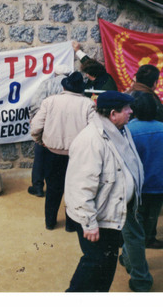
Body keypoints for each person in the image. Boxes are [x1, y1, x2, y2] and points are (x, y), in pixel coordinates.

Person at [65, 91, 144, 292]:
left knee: (106, 264)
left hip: (111, 213)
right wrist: (89, 223)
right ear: (112, 114)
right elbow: (79, 187)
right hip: (96, 218)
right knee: (94, 263)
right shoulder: (91, 140)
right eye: (126, 108)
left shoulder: (120, 131)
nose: (131, 112)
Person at [117, 93, 163, 292]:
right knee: (142, 231)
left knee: (134, 234)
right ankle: (128, 258)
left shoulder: (127, 130)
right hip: (158, 187)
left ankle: (140, 279)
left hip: (134, 190)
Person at [30, 71, 95, 230]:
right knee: (74, 190)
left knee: (53, 188)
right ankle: (71, 225)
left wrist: (41, 142)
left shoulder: (50, 101)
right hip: (77, 156)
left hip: (52, 153)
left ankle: (50, 222)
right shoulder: (88, 104)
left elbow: (35, 127)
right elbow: (95, 131)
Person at [27, 64, 72, 197]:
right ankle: (63, 186)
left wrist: (34, 120)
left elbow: (36, 104)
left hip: (47, 125)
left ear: (55, 74)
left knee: (41, 154)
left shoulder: (46, 84)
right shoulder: (73, 87)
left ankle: (38, 186)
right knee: (65, 156)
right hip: (66, 126)